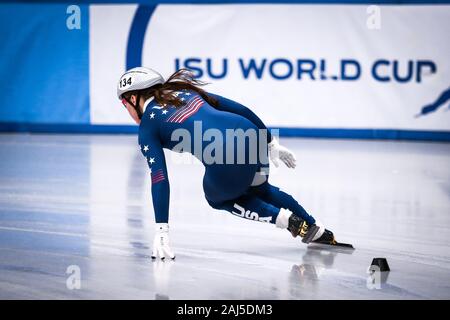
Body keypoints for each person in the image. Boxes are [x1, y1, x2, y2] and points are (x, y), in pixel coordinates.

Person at [117, 67, 335, 260]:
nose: (126, 110)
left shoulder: (147, 126)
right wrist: (270, 142)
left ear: (134, 99)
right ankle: (316, 229)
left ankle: (286, 220)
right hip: (249, 133)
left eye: (124, 104)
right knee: (260, 189)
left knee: (216, 198)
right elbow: (240, 109)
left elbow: (159, 178)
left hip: (223, 154)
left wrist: (161, 230)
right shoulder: (184, 92)